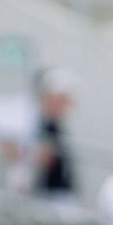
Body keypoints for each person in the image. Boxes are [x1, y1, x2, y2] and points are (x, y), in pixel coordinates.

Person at [32, 68, 78, 202]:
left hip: (61, 190)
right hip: (49, 192)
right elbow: (43, 159)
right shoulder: (43, 125)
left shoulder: (57, 126)